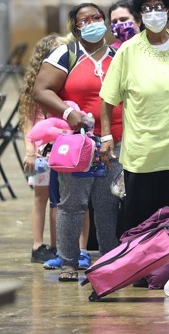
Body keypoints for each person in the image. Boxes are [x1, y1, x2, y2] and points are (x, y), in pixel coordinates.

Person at [34, 2, 123, 281]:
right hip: (77, 144)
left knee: (109, 202)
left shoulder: (118, 54)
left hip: (115, 140)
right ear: (76, 26)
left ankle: (108, 259)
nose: (93, 23)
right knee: (73, 203)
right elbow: (41, 89)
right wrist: (68, 112)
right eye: (86, 20)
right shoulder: (67, 54)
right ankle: (69, 262)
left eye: (98, 18)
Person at [100, 0, 169, 233]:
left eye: (159, 6)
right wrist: (106, 136)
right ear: (140, 15)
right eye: (147, 8)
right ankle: (138, 271)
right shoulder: (128, 50)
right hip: (143, 155)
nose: (154, 13)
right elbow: (108, 98)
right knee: (138, 224)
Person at [20, 33, 92, 270]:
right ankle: (40, 245)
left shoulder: (65, 84)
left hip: (68, 150)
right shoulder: (35, 88)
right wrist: (30, 151)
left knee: (65, 200)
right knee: (44, 198)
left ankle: (65, 247)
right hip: (42, 152)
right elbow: (28, 123)